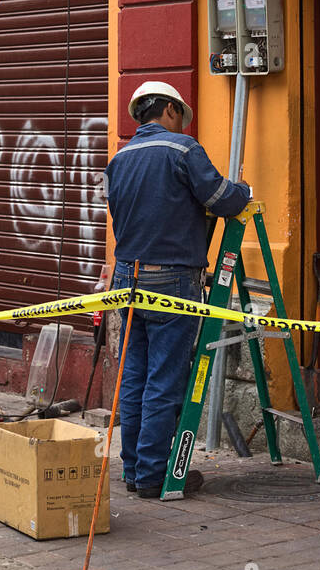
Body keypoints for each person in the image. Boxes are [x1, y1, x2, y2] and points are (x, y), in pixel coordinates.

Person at [103, 80, 252, 499]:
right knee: (165, 378)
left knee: (134, 376)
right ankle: (153, 476)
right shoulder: (183, 149)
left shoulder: (119, 159)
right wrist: (244, 190)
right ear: (169, 109)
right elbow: (223, 199)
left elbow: (124, 214)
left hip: (127, 279)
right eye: (179, 115)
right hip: (171, 280)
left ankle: (134, 471)